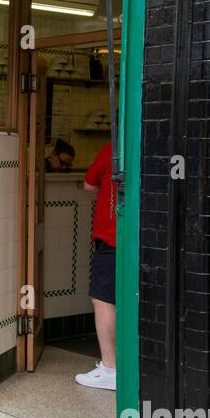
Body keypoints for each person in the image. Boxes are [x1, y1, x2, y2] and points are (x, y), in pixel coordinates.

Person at [76, 140, 116, 389]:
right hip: (138, 238)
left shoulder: (114, 147)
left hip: (111, 236)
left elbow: (89, 184)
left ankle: (110, 368)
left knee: (103, 299)